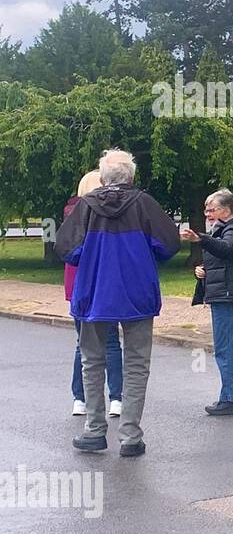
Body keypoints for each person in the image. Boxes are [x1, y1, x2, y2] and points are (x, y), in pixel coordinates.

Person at [55, 148, 181, 457]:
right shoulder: (144, 204)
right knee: (137, 363)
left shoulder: (85, 207)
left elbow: (65, 247)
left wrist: (91, 261)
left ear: (102, 178)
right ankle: (130, 436)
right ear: (131, 177)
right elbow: (169, 244)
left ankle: (95, 430)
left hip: (95, 292)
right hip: (137, 293)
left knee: (92, 360)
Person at [182, 189, 233, 416]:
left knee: (225, 349)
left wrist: (201, 239)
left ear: (226, 210)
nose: (207, 214)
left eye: (212, 209)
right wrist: (201, 271)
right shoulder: (223, 230)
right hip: (223, 293)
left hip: (227, 295)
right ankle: (232, 396)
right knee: (225, 348)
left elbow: (228, 249)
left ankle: (232, 398)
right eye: (206, 210)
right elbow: (222, 259)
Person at [66, 170, 123, 418]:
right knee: (110, 341)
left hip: (77, 282)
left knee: (83, 343)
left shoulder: (72, 212)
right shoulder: (103, 212)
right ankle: (116, 397)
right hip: (102, 281)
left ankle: (80, 397)